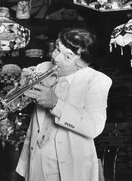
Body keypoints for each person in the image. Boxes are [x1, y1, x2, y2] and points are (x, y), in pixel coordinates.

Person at [15, 28, 112, 181]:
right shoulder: (42, 68)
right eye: (57, 49)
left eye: (67, 56)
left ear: (82, 64)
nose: (57, 58)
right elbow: (17, 104)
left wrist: (55, 104)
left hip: (72, 166)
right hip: (36, 160)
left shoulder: (98, 81)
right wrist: (19, 88)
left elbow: (94, 127)